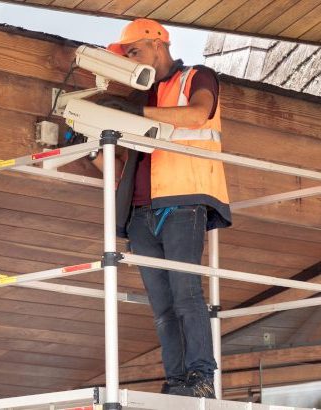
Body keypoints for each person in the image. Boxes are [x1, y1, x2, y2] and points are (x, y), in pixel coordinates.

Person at [91, 18, 232, 398]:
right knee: (163, 308)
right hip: (140, 213)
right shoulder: (144, 97)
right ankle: (178, 382)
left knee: (187, 296)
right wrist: (91, 143)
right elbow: (124, 168)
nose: (133, 60)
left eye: (135, 51)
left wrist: (133, 114)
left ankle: (201, 377)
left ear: (158, 44)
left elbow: (197, 114)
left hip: (183, 202)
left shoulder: (197, 77)